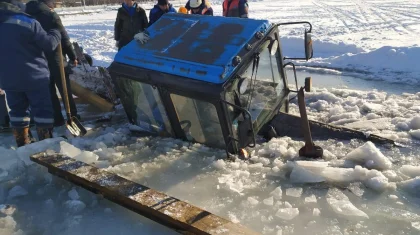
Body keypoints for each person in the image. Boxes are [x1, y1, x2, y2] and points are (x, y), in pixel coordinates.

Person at [0, 0, 61, 146]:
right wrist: (55, 33)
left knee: (17, 111)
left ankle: (22, 143)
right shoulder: (28, 22)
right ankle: (46, 144)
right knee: (42, 111)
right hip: (35, 76)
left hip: (9, 79)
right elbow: (48, 44)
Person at [25, 0, 79, 127]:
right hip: (56, 59)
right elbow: (64, 38)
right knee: (64, 89)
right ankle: (73, 116)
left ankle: (57, 118)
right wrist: (72, 56)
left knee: (49, 92)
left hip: (38, 61)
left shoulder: (26, 16)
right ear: (49, 5)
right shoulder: (51, 16)